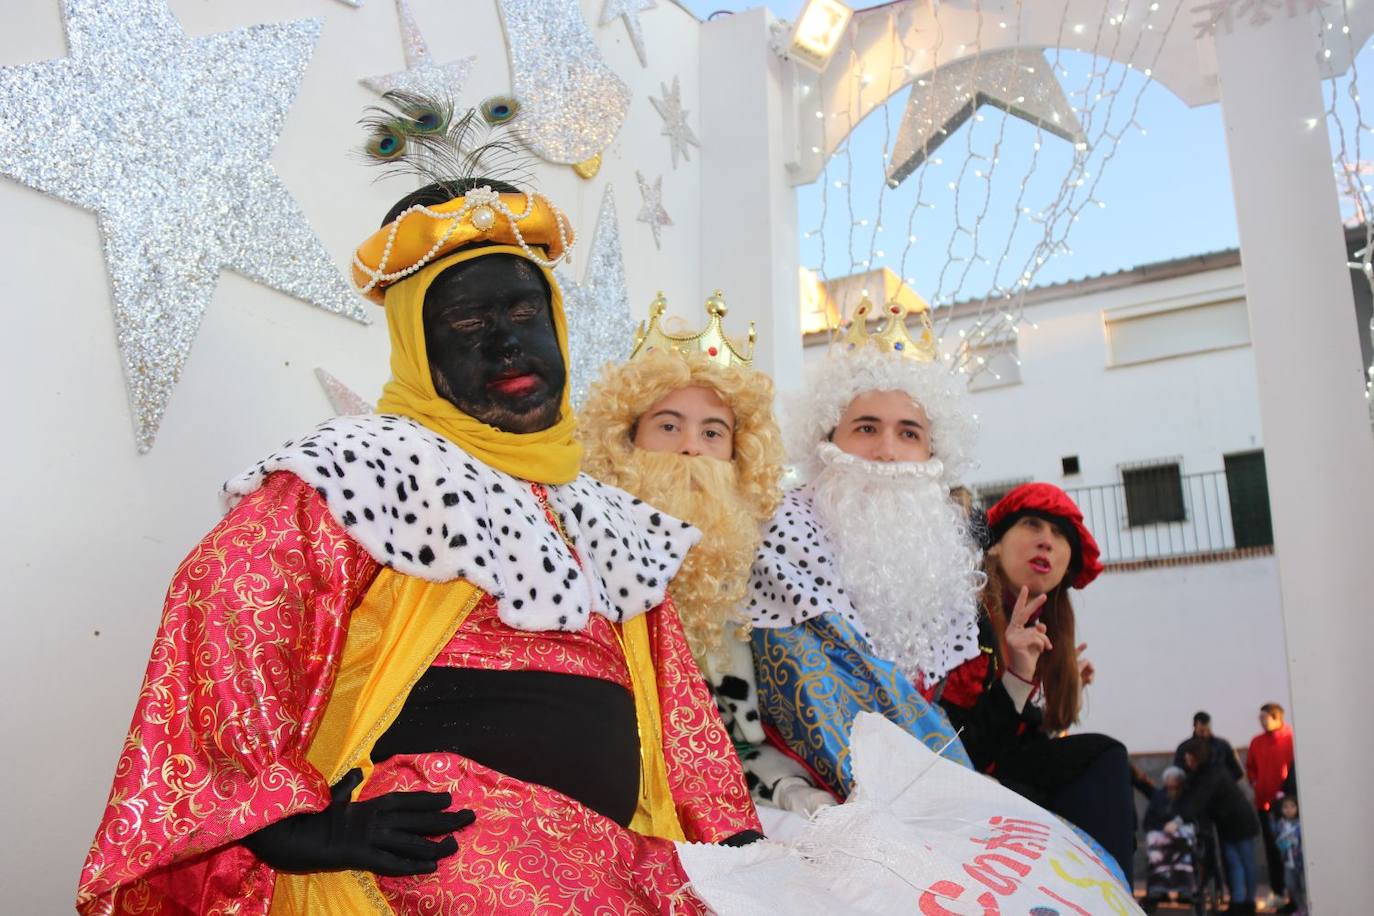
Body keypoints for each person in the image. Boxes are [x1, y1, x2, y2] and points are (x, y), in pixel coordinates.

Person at [76, 94, 758, 915]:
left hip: (619, 857)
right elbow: (225, 609)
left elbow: (678, 710)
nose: (505, 342)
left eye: (522, 313)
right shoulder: (357, 468)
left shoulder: (605, 515)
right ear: (415, 345)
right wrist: (285, 824)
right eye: (467, 321)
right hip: (446, 858)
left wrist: (734, 841)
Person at [576, 294, 831, 817]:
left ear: (740, 458)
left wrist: (788, 790)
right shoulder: (575, 561)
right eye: (668, 426)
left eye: (713, 432)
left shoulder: (755, 586)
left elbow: (741, 746)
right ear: (624, 444)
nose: (691, 446)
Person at [746, 301, 985, 801]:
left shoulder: (938, 549)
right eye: (867, 428)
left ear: (933, 452)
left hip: (917, 782)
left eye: (909, 433)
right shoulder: (786, 526)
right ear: (827, 437)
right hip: (807, 785)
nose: (887, 452)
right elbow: (808, 684)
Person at [932, 481, 1137, 881]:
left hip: (993, 786)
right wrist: (1019, 675)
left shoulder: (1044, 626)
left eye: (1060, 535)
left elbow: (1017, 739)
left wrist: (1055, 688)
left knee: (1103, 767)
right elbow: (958, 748)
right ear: (994, 545)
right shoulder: (962, 612)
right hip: (949, 791)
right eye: (1031, 525)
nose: (1046, 541)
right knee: (1104, 758)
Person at [1178, 736, 1262, 914]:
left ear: (1197, 757)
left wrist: (1179, 817)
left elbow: (1198, 799)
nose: (1187, 762)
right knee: (1235, 864)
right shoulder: (1208, 770)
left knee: (1244, 863)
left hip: (1239, 822)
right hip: (1229, 824)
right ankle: (1239, 902)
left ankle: (1247, 902)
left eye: (1189, 758)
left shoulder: (1211, 773)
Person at [1248, 701, 1296, 907]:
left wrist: (1284, 793)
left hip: (1286, 806)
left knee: (1290, 851)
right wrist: (1255, 783)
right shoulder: (1257, 742)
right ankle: (1277, 892)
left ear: (1277, 718)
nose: (1261, 721)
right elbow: (1250, 767)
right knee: (1272, 849)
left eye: (1264, 717)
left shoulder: (1290, 738)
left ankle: (1295, 897)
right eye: (1260, 718)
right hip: (1263, 804)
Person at [1174, 710, 1244, 782]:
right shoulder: (1184, 748)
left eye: (1208, 730)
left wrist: (1224, 783)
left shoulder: (1222, 745)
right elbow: (1178, 774)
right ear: (1194, 727)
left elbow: (1237, 772)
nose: (1205, 734)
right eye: (1201, 731)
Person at [1273, 795, 1306, 914]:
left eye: (1292, 806)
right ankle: (1301, 908)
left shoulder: (1301, 823)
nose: (1289, 810)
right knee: (1291, 885)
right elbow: (1278, 843)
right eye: (1285, 807)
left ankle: (1306, 908)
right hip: (1288, 862)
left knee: (1303, 886)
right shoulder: (1280, 825)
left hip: (1301, 862)